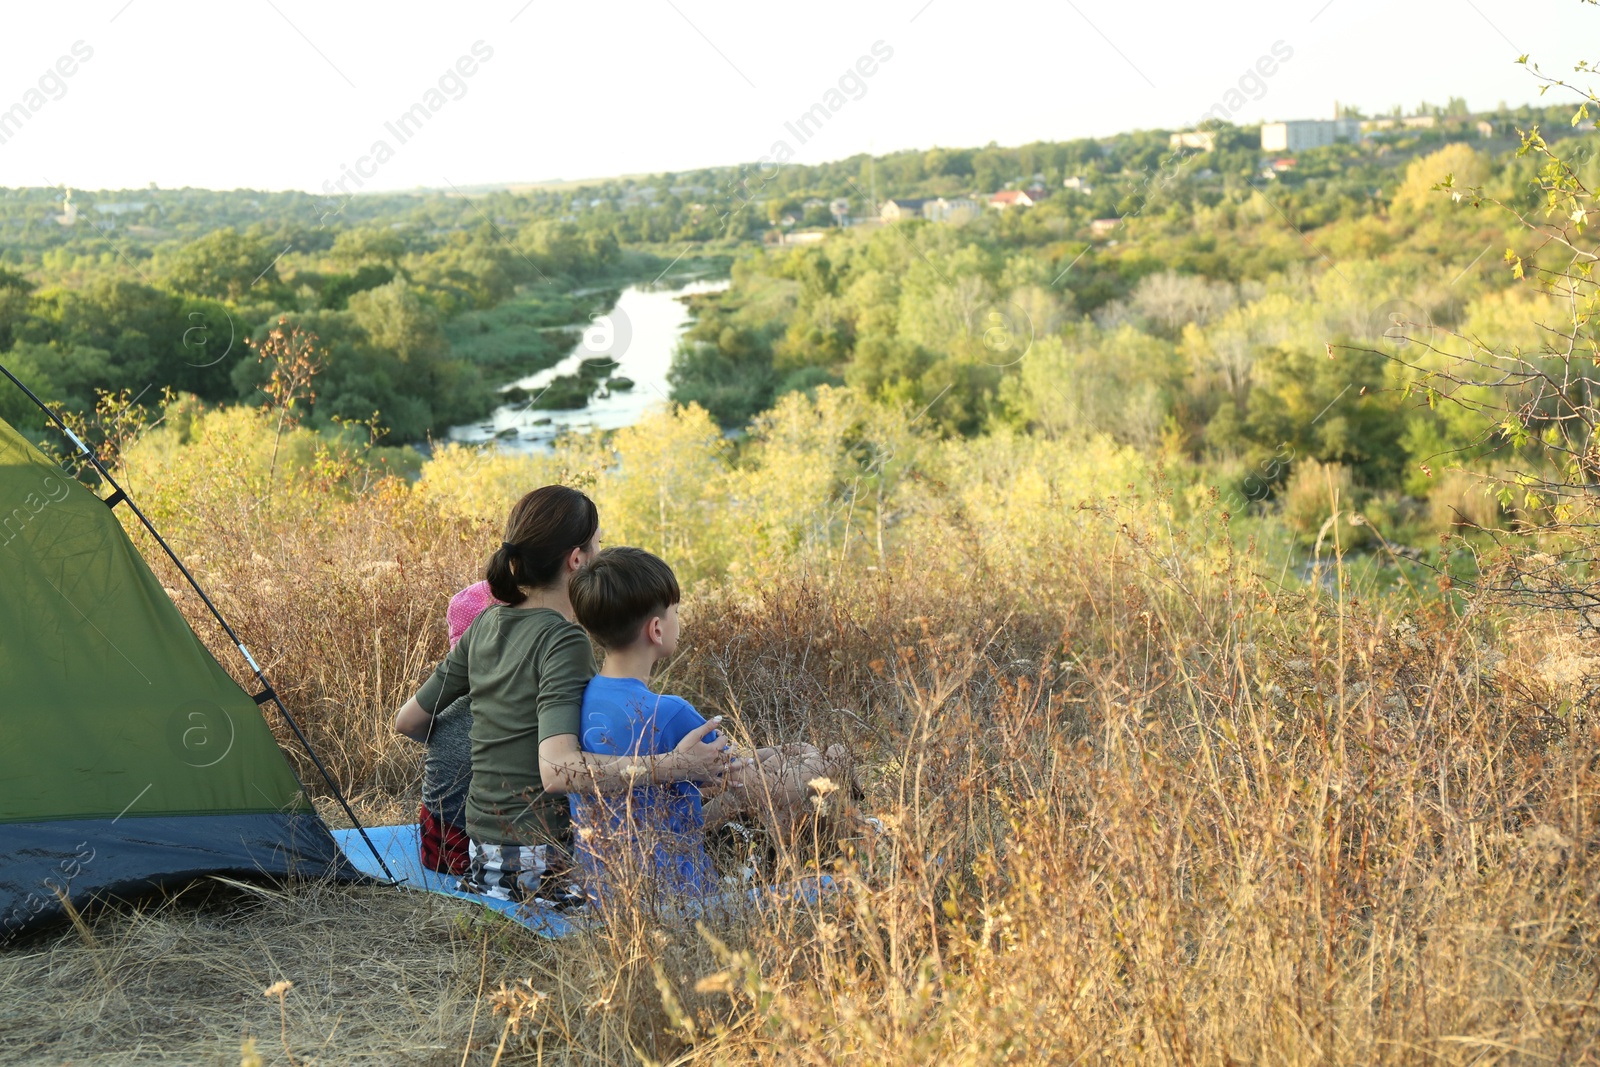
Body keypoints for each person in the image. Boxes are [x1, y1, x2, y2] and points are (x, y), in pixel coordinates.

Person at [392, 486, 739, 904]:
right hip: (540, 862)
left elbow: (408, 722)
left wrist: (495, 740)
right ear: (577, 560)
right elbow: (556, 772)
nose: (600, 554)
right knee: (707, 810)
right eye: (598, 545)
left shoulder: (485, 624)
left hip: (481, 852)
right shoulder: (564, 640)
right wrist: (675, 764)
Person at [566, 546, 847, 904]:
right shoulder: (669, 712)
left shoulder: (582, 698)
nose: (677, 621)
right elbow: (761, 789)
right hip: (681, 899)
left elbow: (722, 772)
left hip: (605, 897)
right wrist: (827, 761)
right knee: (830, 878)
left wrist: (776, 752)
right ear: (656, 629)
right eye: (675, 613)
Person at [407, 581, 501, 876]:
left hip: (435, 843)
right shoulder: (510, 703)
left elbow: (406, 725)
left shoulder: (445, 698)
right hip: (480, 851)